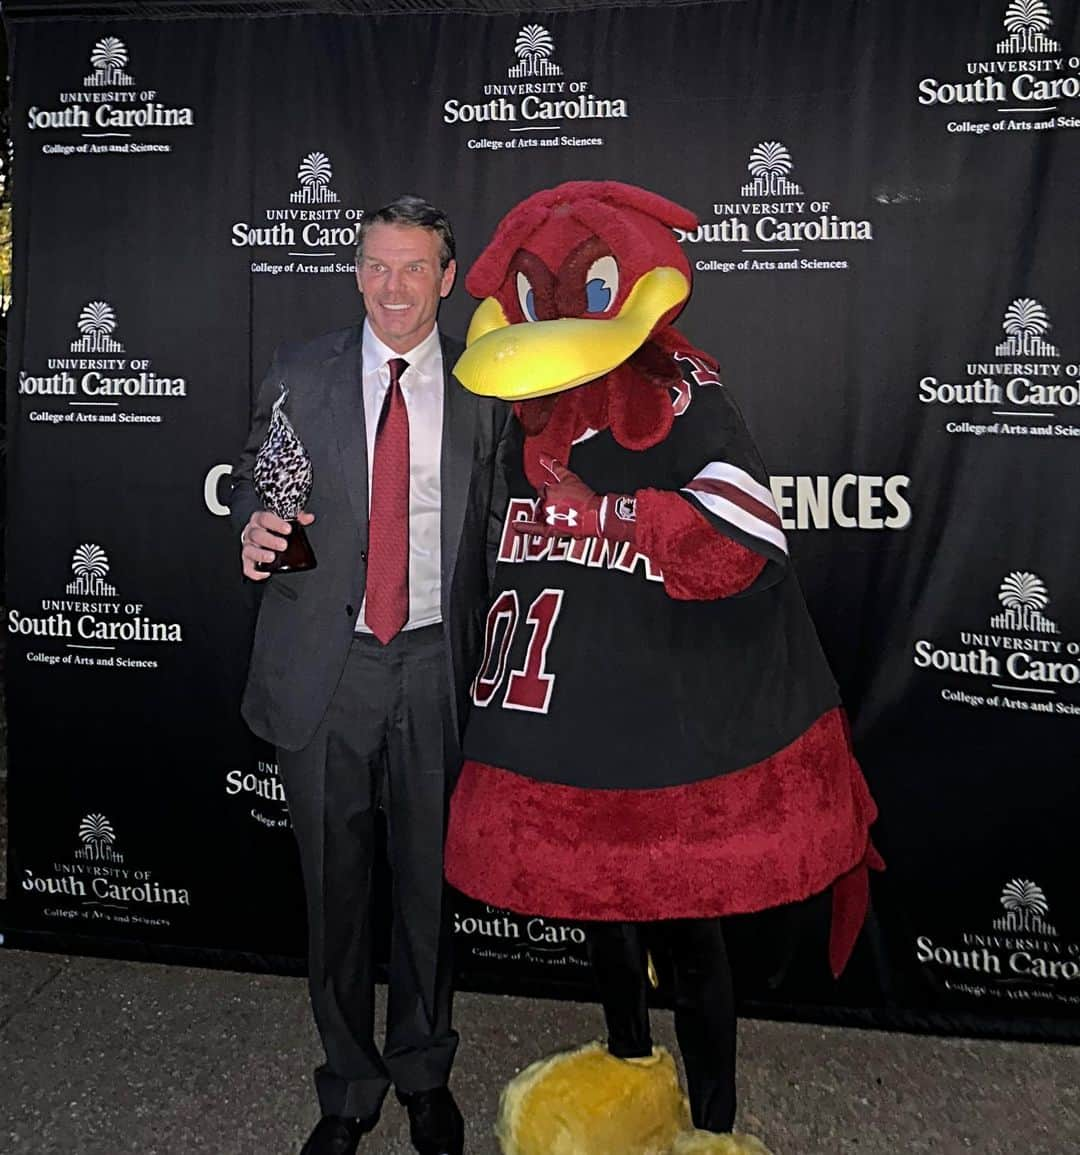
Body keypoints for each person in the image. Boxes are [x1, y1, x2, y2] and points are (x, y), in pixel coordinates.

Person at [230, 195, 513, 1155]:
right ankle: (349, 1086)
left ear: (445, 277)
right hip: (330, 664)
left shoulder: (486, 388)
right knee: (336, 893)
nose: (393, 288)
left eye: (414, 268)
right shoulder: (299, 375)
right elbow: (268, 489)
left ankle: (424, 1070)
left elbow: (513, 523)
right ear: (357, 274)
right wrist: (257, 530)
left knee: (430, 886)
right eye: (376, 267)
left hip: (438, 661)